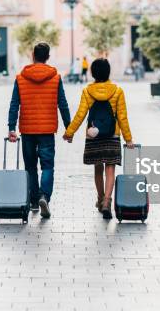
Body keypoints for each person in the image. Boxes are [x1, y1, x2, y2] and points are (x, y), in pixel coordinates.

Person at [63, 58, 134, 219]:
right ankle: (107, 201)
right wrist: (128, 139)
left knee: (98, 169)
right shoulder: (117, 91)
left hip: (93, 135)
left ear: (93, 73)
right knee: (110, 169)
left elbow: (80, 115)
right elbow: (122, 117)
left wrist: (70, 132)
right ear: (108, 72)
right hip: (112, 135)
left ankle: (100, 198)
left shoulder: (88, 91)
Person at [7, 43, 71, 218]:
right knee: (48, 165)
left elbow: (14, 104)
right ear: (48, 57)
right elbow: (62, 104)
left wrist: (11, 128)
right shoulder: (55, 78)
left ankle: (34, 200)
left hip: (27, 129)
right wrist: (69, 128)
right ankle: (44, 196)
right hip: (47, 130)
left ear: (33, 55)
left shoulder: (21, 78)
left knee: (30, 166)